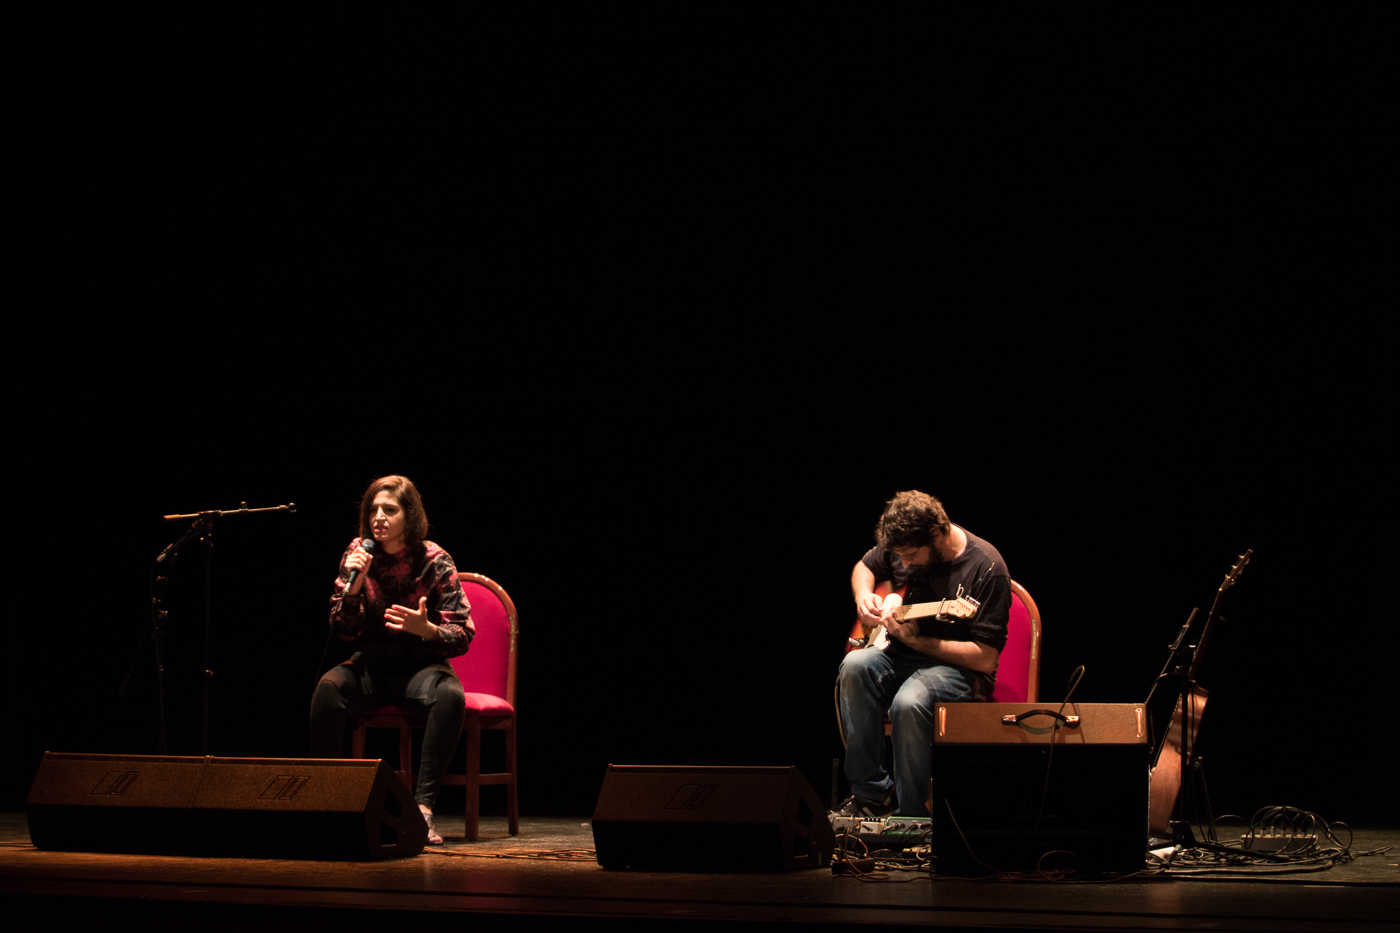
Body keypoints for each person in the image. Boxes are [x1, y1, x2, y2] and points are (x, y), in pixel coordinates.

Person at [309, 475, 474, 844]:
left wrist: (427, 629)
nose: (378, 517)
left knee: (449, 696)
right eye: (373, 509)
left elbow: (462, 634)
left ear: (409, 516)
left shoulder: (434, 559)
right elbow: (343, 630)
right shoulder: (357, 554)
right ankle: (328, 802)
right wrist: (353, 585)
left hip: (421, 665)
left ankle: (423, 809)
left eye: (389, 509)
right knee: (328, 690)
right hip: (372, 664)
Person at [834, 490, 1011, 818]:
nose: (903, 564)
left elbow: (986, 658)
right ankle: (871, 797)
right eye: (898, 556)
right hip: (902, 655)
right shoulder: (906, 545)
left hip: (958, 670)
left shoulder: (986, 568)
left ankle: (912, 815)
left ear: (938, 534)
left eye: (911, 555)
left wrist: (918, 643)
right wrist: (863, 597)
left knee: (909, 701)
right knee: (855, 666)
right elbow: (864, 567)